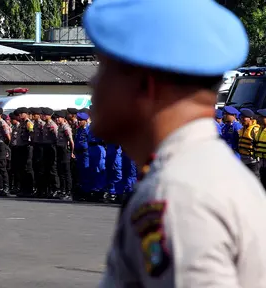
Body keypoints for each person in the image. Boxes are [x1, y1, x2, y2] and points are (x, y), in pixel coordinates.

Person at [84, 0, 266, 287]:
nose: (92, 84)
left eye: (104, 70)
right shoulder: (200, 174)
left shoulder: (179, 196)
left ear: (146, 85)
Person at [55, 110, 75, 199]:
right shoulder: (60, 127)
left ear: (63, 118)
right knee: (61, 171)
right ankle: (63, 190)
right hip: (59, 149)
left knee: (67, 172)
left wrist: (72, 152)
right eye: (56, 118)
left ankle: (69, 191)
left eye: (58, 117)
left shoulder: (66, 128)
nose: (57, 119)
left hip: (65, 150)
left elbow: (71, 141)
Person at [16, 107, 34, 197]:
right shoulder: (21, 123)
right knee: (22, 169)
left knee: (27, 168)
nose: (19, 115)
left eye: (21, 113)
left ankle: (29, 189)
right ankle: (23, 189)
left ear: (25, 114)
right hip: (21, 147)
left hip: (27, 147)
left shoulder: (29, 123)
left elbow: (31, 135)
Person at [41, 107, 60, 198]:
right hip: (46, 147)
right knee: (47, 168)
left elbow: (57, 137)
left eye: (44, 115)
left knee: (53, 169)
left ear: (48, 115)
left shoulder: (53, 125)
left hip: (51, 147)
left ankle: (56, 189)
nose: (42, 116)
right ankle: (49, 189)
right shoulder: (46, 124)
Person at [238, 108, 260, 177]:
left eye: (244, 118)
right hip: (243, 159)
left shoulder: (255, 130)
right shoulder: (242, 129)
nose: (242, 119)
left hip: (252, 161)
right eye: (241, 117)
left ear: (250, 118)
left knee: (255, 179)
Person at [73, 112, 90, 200]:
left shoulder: (88, 129)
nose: (79, 122)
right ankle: (82, 190)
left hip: (86, 153)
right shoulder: (79, 129)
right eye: (78, 120)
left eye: (80, 120)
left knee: (85, 172)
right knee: (80, 172)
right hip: (79, 153)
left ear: (85, 120)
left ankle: (86, 192)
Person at [30, 107, 45, 197]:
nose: (32, 116)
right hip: (35, 146)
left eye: (34, 114)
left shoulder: (42, 124)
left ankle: (42, 190)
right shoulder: (34, 124)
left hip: (41, 147)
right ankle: (38, 189)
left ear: (38, 115)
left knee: (41, 169)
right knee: (35, 167)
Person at [255, 109, 266, 189]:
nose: (259, 118)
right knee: (262, 180)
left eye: (261, 117)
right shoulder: (261, 129)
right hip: (261, 159)